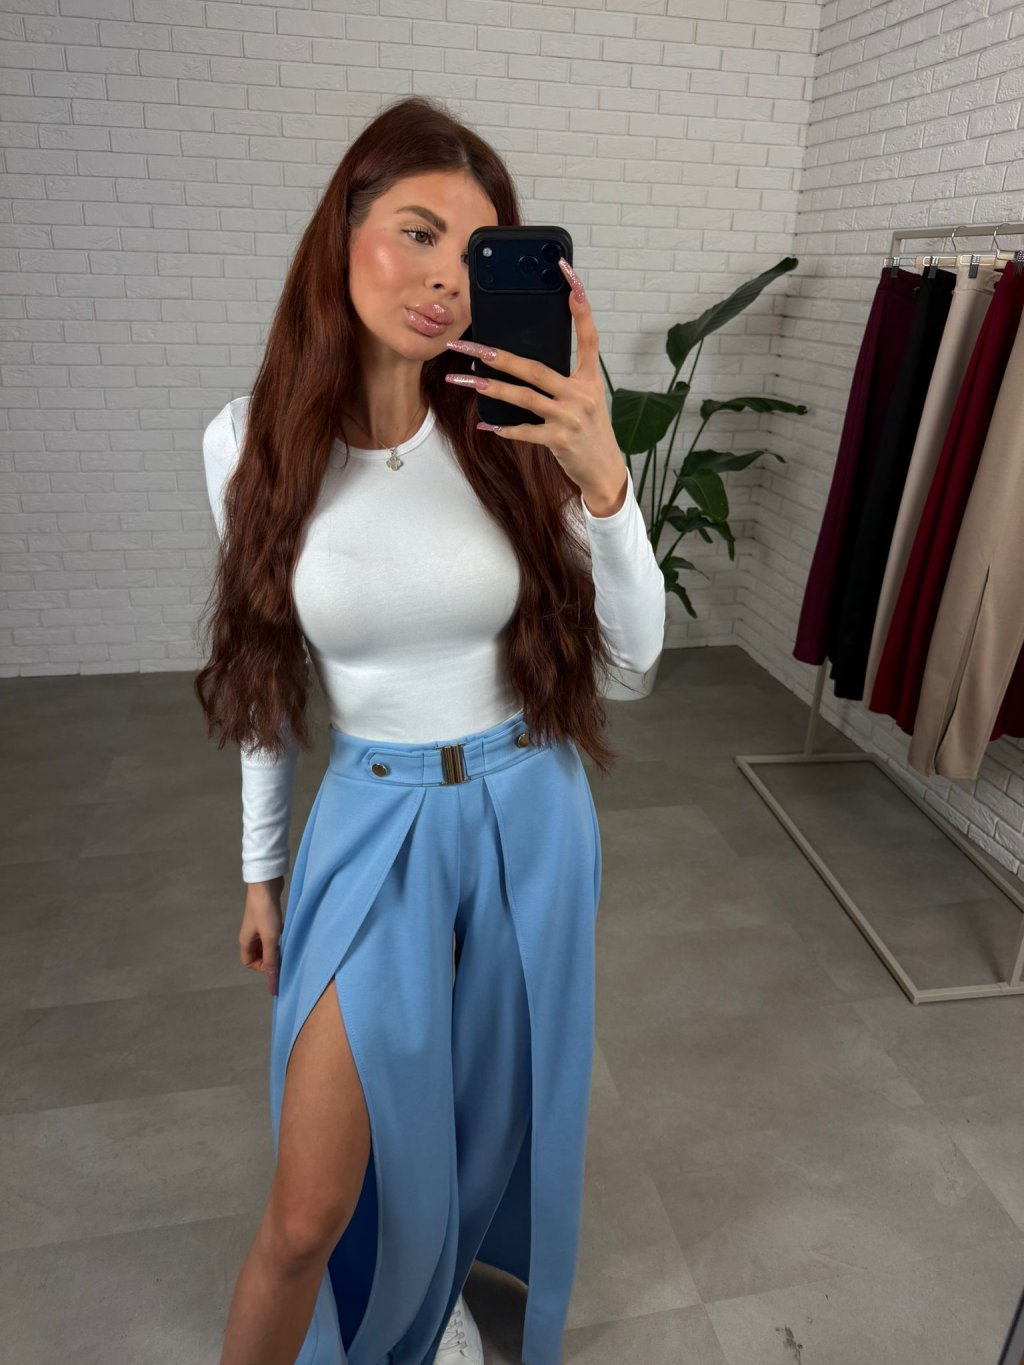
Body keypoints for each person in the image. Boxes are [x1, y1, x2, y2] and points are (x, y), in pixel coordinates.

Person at [195, 94, 666, 1365]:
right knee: (304, 1213)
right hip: (372, 824)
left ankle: (439, 1291)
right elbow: (264, 679)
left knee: (485, 1113)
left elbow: (630, 669)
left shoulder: (515, 431)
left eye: (476, 249)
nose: (447, 278)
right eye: (417, 231)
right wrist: (261, 868)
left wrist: (604, 480)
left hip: (529, 816)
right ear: (341, 229)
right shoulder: (246, 445)